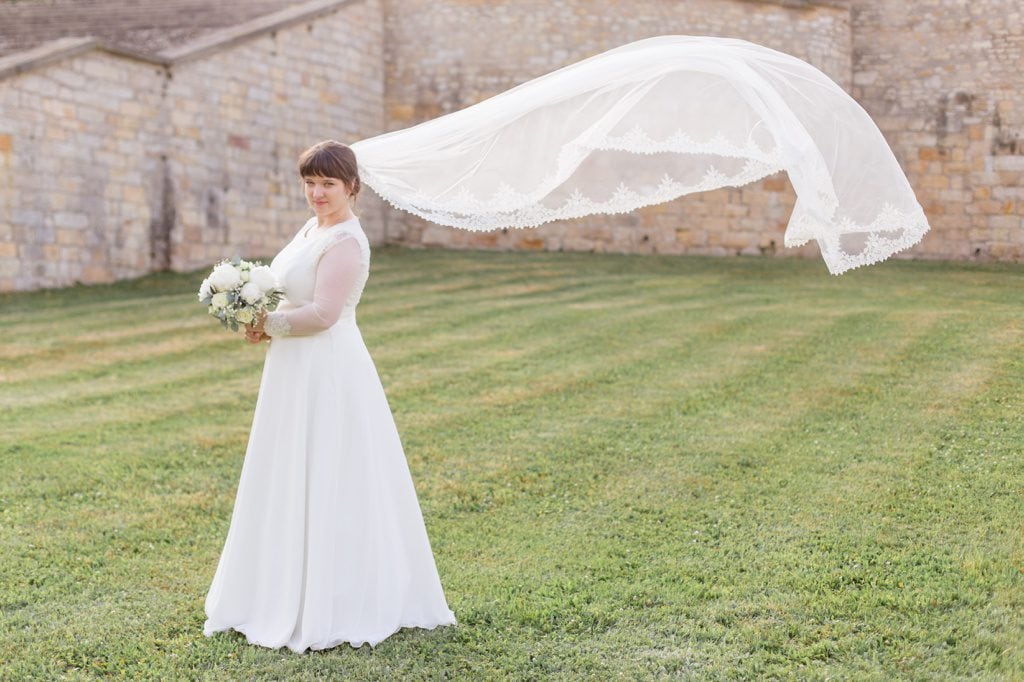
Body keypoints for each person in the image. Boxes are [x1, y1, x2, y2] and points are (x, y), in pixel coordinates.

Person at [202, 140, 457, 653]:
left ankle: (333, 599)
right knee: (288, 469)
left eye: (328, 185)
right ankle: (275, 588)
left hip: (328, 370)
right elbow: (290, 292)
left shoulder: (345, 241)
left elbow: (322, 314)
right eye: (310, 183)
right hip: (293, 367)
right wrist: (259, 314)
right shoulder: (311, 227)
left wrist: (265, 321)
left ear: (352, 188)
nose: (317, 193)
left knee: (331, 472)